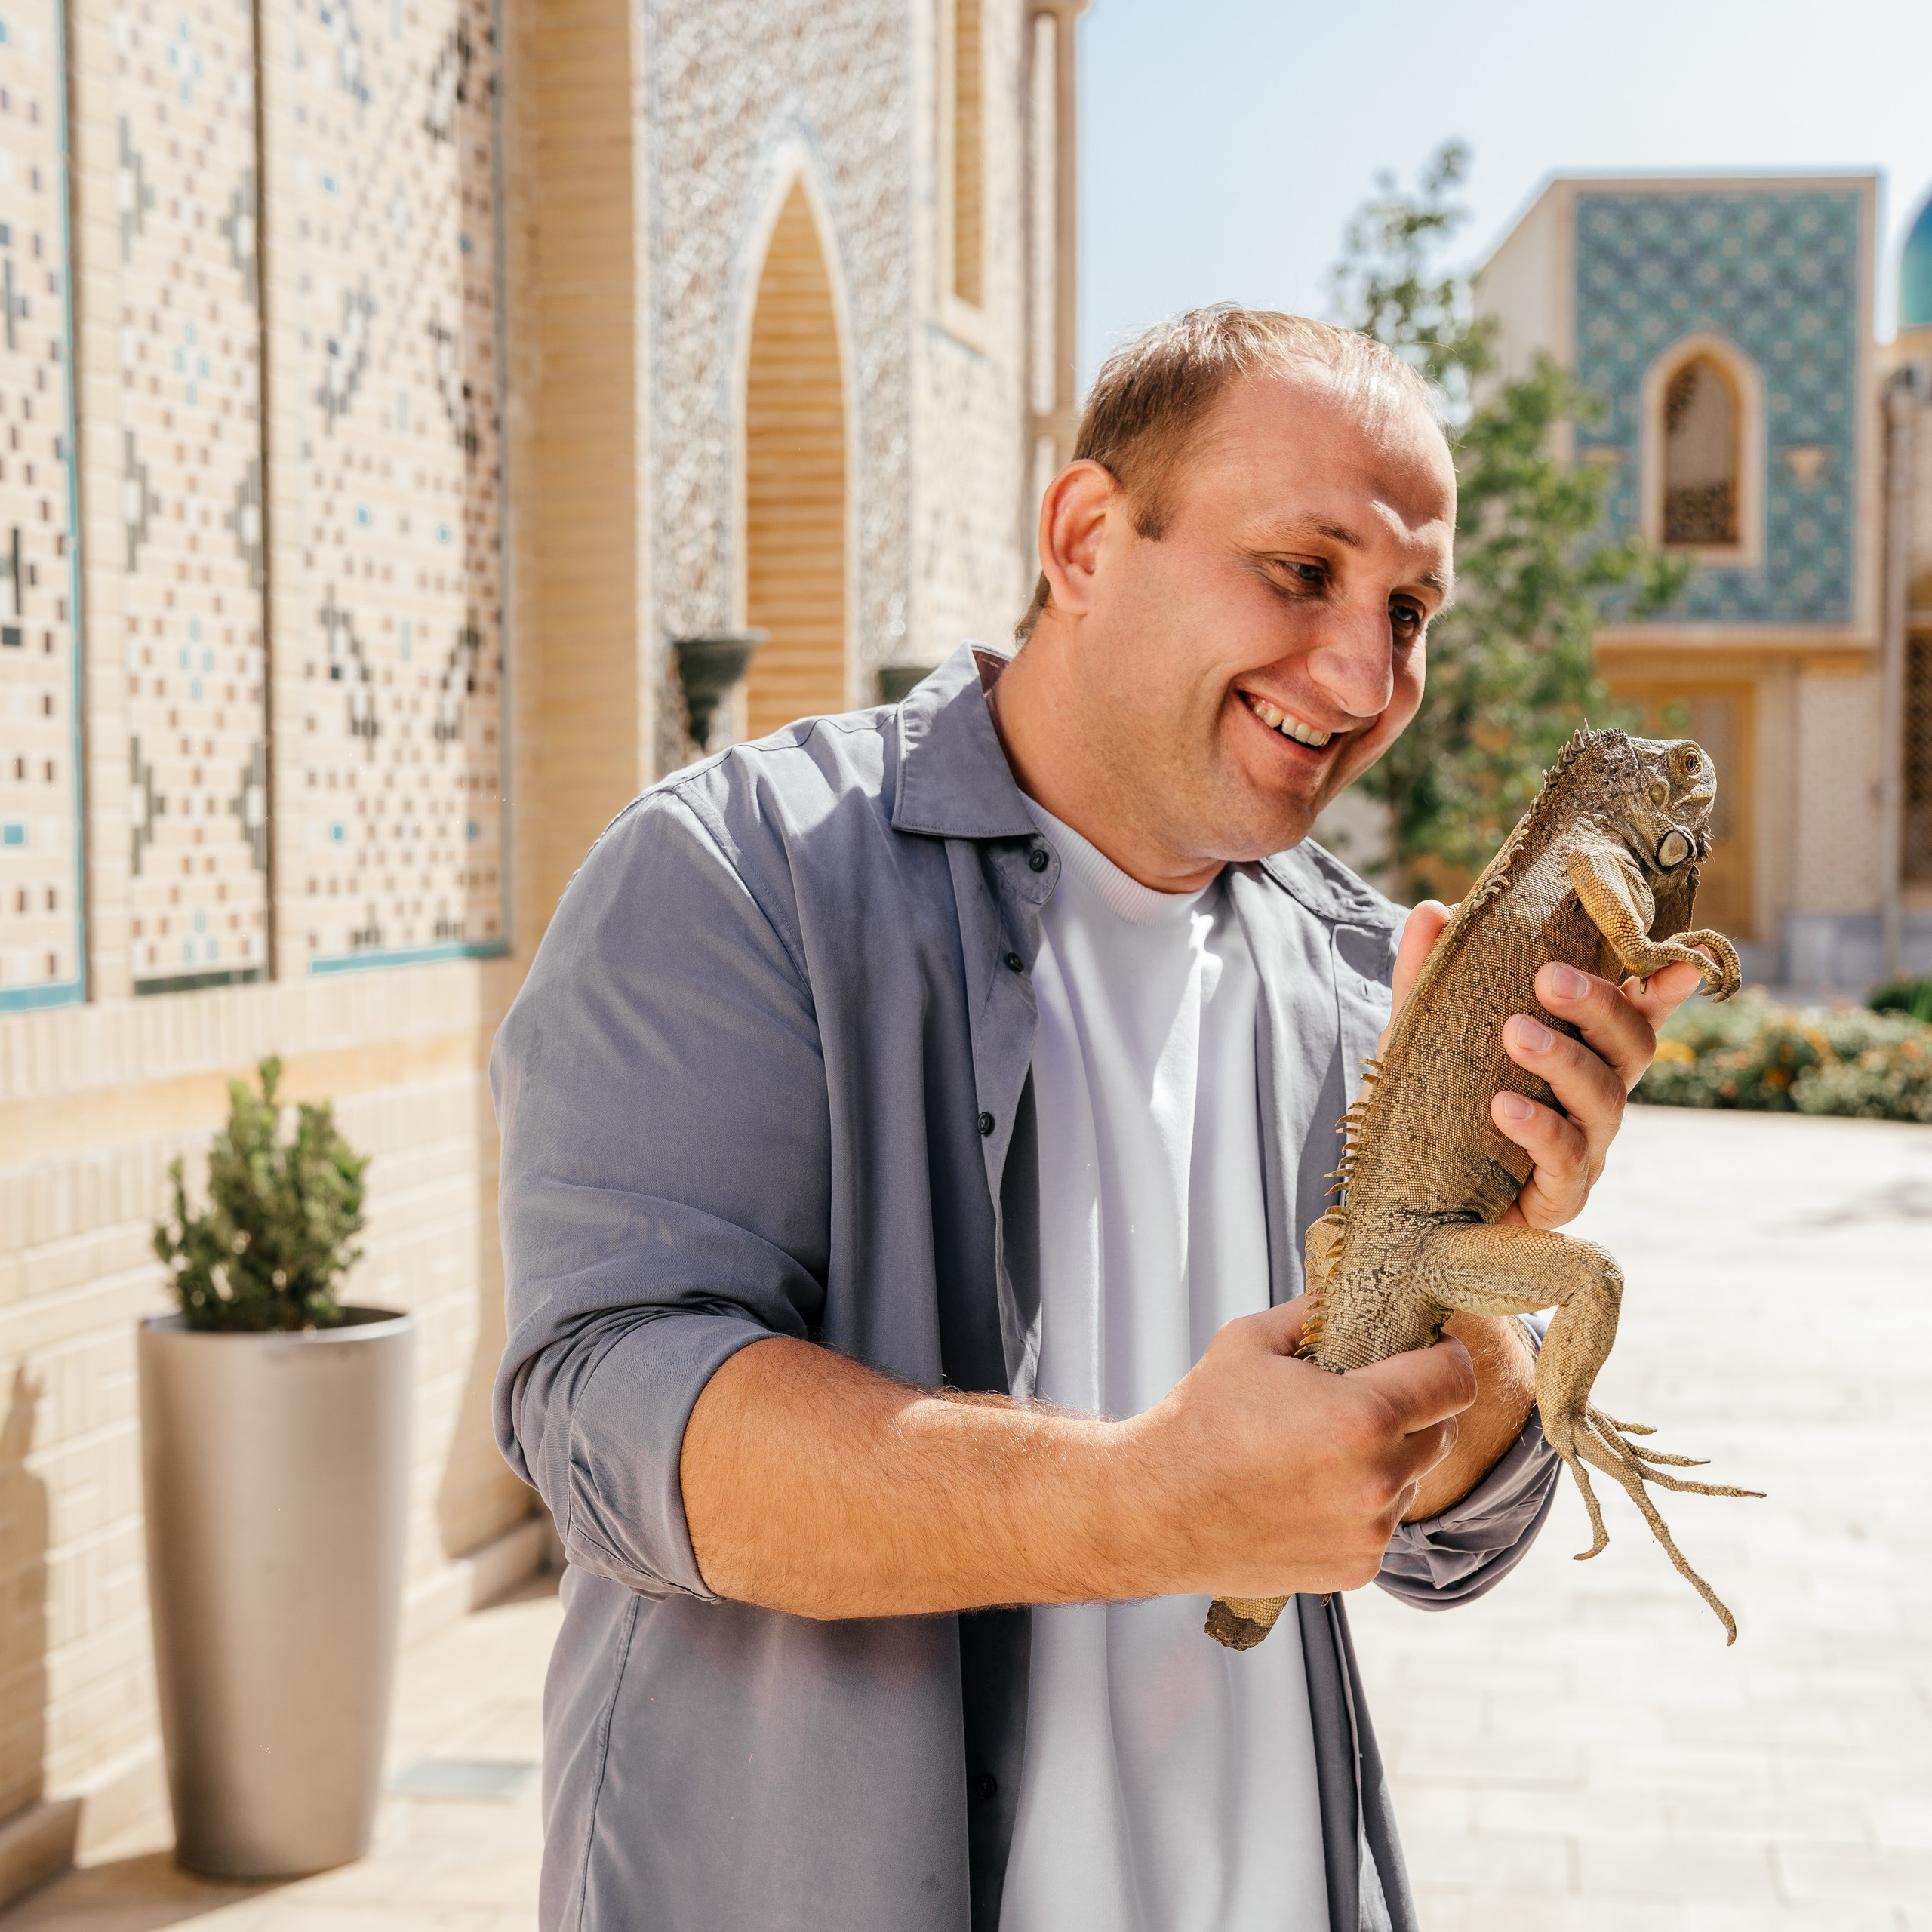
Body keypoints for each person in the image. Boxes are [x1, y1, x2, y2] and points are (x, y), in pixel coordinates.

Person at [492, 309, 1706, 1932]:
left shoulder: (1360, 972)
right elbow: (605, 1417)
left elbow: (1438, 1537)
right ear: (1082, 536)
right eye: (1299, 571)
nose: (1364, 673)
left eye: (1406, 609)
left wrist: (1496, 1271)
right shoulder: (738, 875)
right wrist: (1143, 1498)